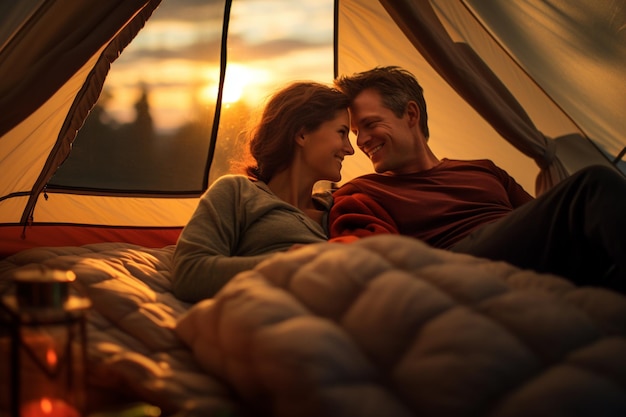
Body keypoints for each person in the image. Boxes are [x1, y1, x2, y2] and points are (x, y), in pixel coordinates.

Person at [329, 66, 626, 292]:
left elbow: (549, 220)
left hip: (527, 256)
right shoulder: (362, 191)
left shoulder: (483, 169)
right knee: (593, 185)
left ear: (410, 114)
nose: (362, 141)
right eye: (356, 132)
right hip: (460, 265)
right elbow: (371, 259)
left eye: (370, 125)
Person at [173, 82, 354, 302]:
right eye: (342, 133)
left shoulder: (340, 206)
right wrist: (284, 265)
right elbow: (190, 274)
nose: (350, 149)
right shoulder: (238, 192)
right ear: (303, 134)